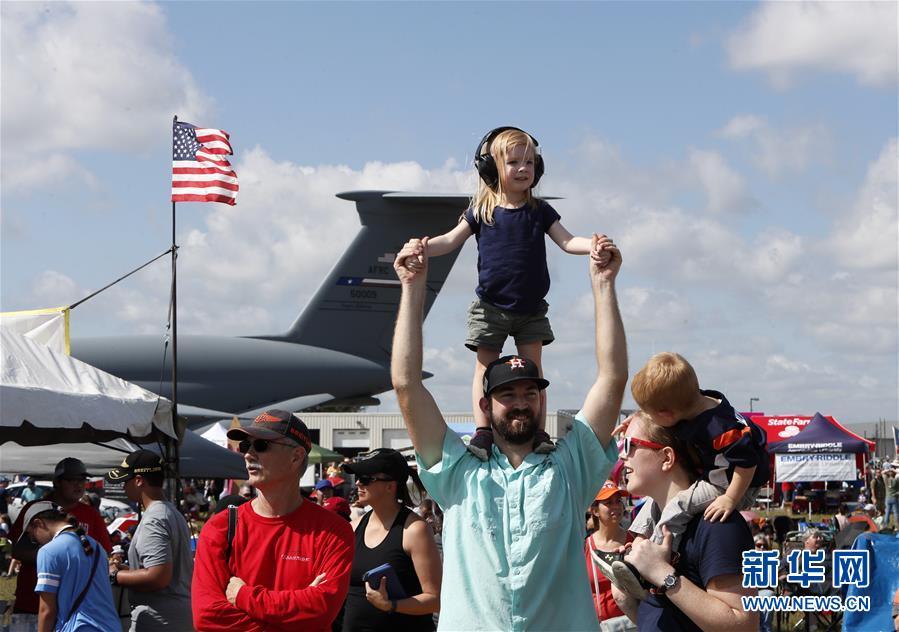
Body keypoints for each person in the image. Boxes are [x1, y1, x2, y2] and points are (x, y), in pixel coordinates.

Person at [391, 232, 626, 630]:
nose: (520, 402)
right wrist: (412, 288)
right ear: (485, 405)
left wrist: (603, 284)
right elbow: (406, 384)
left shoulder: (571, 469)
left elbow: (613, 378)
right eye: (507, 394)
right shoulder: (458, 472)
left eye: (530, 393)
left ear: (541, 401)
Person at [410, 126, 609, 460]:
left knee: (534, 372)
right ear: (492, 169)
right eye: (514, 162)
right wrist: (422, 247)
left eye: (530, 162)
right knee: (484, 370)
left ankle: (539, 433)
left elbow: (567, 240)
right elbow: (449, 241)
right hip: (491, 307)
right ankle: (484, 432)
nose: (523, 169)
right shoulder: (481, 211)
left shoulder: (540, 211)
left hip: (531, 308)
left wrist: (594, 244)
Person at [614, 352, 769, 597]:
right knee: (650, 505)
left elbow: (747, 463)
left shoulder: (720, 428)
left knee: (678, 506)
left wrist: (730, 498)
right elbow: (663, 407)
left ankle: (659, 559)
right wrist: (637, 420)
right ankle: (634, 546)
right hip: (719, 474)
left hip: (733, 484)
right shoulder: (691, 402)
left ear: (667, 415)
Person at [192, 410, 354, 632]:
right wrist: (295, 616)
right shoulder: (220, 527)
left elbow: (321, 611)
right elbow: (207, 617)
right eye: (245, 446)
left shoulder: (334, 531)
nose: (248, 454)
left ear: (296, 457)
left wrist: (243, 595)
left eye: (260, 445)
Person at [613, 412, 758, 630]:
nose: (622, 456)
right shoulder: (653, 524)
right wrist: (626, 594)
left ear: (667, 458)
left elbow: (743, 625)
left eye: (629, 444)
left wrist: (662, 573)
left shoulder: (716, 523)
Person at [341, 448, 441, 632]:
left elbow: (435, 600)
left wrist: (391, 605)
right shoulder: (353, 527)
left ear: (390, 486)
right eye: (358, 478)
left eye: (366, 478)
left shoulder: (414, 530)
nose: (358, 484)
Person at [9, 458, 112, 631]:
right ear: (57, 482)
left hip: (73, 611)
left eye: (82, 480)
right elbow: (17, 550)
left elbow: (103, 554)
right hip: (31, 604)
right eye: (72, 480)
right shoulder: (34, 509)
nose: (78, 485)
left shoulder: (91, 515)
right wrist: (55, 558)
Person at [105, 450, 194, 631]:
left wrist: (114, 574)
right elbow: (167, 570)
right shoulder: (171, 512)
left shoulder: (154, 519)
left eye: (125, 481)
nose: (123, 487)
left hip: (158, 620)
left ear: (139, 481)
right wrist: (130, 571)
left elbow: (158, 576)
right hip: (177, 616)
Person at [19, 501, 120, 632]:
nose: (36, 542)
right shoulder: (96, 546)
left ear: (39, 523)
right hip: (111, 627)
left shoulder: (48, 551)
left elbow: (47, 611)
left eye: (33, 537)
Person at [585, 481, 637, 632]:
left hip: (633, 625)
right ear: (595, 511)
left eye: (618, 501)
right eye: (609, 502)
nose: (616, 506)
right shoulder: (584, 547)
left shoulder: (635, 542)